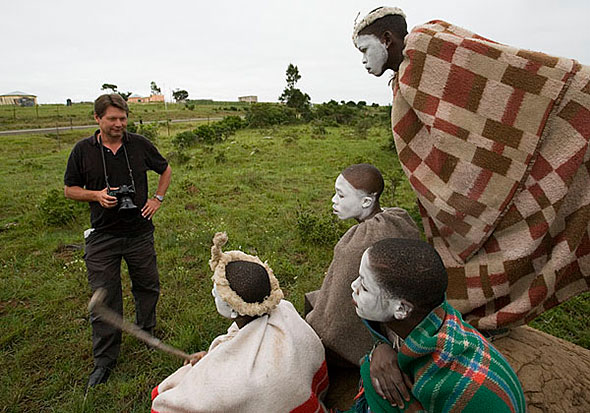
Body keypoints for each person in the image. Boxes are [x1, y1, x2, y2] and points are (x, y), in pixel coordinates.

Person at [352, 7, 590, 332]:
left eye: (364, 49)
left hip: (506, 158)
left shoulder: (428, 44)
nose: (363, 60)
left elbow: (503, 75)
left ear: (386, 39)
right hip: (469, 184)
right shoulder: (402, 82)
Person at [151, 232, 328, 412]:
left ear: (234, 308)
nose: (213, 293)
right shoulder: (284, 311)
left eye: (218, 292)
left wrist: (199, 368)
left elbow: (177, 404)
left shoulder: (237, 379)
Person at [64, 93, 172, 388]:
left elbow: (165, 169)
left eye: (123, 118)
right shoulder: (82, 150)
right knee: (105, 296)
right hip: (103, 236)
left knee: (147, 285)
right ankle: (104, 361)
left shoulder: (139, 144)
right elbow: (69, 189)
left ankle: (147, 332)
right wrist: (96, 195)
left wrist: (157, 198)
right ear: (97, 119)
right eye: (112, 119)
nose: (119, 124)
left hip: (139, 232)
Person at [348, 238, 526, 412]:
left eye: (364, 287)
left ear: (402, 309)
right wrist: (382, 346)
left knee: (381, 390)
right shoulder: (432, 315)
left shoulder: (452, 380)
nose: (353, 285)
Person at [305, 163, 420, 369]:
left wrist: (321, 324)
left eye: (340, 195)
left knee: (321, 324)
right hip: (404, 311)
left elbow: (339, 300)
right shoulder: (398, 218)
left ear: (366, 201)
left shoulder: (356, 245)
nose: (333, 200)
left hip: (383, 322)